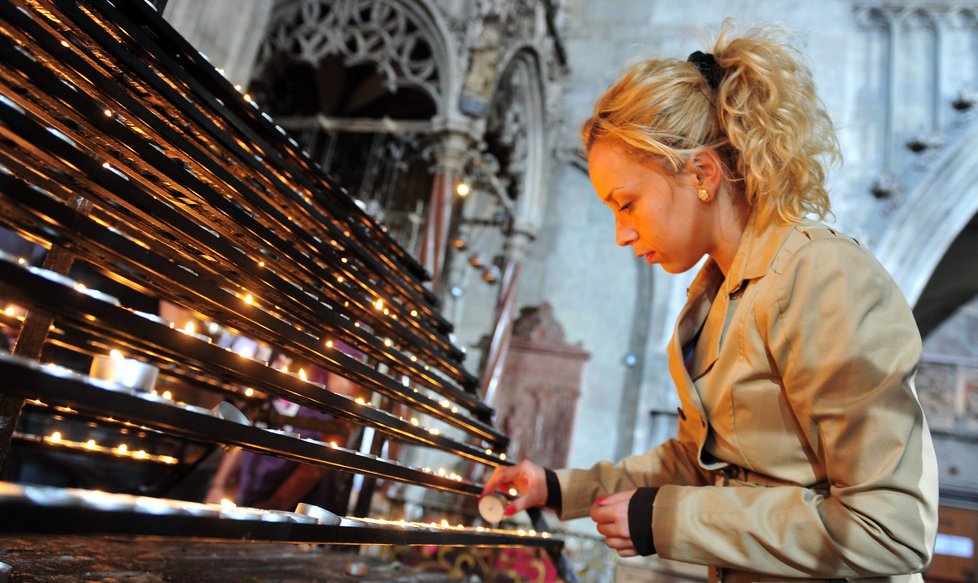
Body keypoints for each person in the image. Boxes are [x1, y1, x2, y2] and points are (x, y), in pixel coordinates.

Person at [483, 23, 938, 583]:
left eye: (627, 204)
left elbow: (887, 527)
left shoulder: (823, 278)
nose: (621, 234)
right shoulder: (713, 298)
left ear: (702, 173)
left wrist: (668, 518)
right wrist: (558, 488)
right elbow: (700, 462)